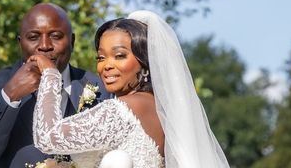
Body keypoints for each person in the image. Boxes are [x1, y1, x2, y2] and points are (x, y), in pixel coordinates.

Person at [30, 10, 230, 168]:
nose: (106, 65)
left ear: (144, 62)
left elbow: (47, 138)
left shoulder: (122, 110)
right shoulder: (159, 110)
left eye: (119, 56)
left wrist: (50, 75)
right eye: (101, 57)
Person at [0, 3, 109, 168]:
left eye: (56, 36)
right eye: (33, 37)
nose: (44, 46)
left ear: (72, 41)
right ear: (20, 43)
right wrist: (10, 95)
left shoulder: (100, 88)